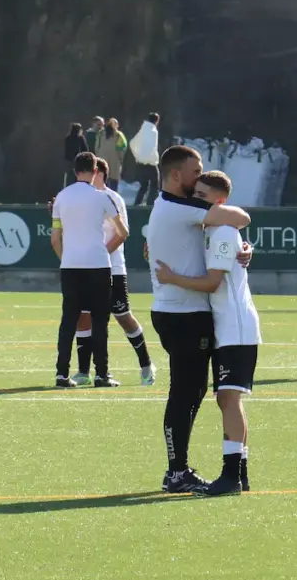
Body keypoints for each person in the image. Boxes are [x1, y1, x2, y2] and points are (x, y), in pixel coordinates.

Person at [147, 144, 252, 493]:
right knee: (186, 394)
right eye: (195, 172)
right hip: (185, 313)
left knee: (193, 392)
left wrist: (240, 250)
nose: (198, 177)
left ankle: (183, 469)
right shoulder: (181, 206)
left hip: (175, 310)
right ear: (176, 175)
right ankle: (177, 472)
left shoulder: (170, 207)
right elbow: (240, 218)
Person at [72, 158, 156, 387]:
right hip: (86, 269)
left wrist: (99, 254)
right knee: (83, 315)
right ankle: (82, 371)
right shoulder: (81, 199)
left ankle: (146, 365)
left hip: (112, 270)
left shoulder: (112, 198)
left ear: (99, 174)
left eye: (90, 173)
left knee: (123, 316)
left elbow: (121, 235)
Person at [50, 152, 128, 387]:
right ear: (95, 171)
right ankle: (101, 374)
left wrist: (67, 259)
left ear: (75, 171)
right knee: (99, 321)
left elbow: (55, 238)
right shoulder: (102, 197)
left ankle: (62, 374)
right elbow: (122, 232)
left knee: (69, 321)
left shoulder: (61, 198)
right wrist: (105, 249)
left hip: (71, 267)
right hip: (97, 265)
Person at [131, 113, 161, 205]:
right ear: (156, 121)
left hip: (141, 162)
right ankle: (150, 203)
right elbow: (152, 147)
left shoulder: (143, 130)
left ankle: (137, 203)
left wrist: (138, 156)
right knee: (155, 183)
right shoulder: (153, 131)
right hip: (150, 162)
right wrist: (151, 157)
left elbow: (132, 143)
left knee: (144, 185)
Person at [95, 117, 128, 191]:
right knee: (114, 180)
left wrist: (98, 156)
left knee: (103, 178)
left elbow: (97, 147)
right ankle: (113, 195)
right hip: (115, 160)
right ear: (116, 125)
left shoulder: (100, 133)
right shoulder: (119, 135)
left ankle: (102, 195)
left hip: (102, 159)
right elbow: (122, 148)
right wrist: (121, 158)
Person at [63, 123, 90, 188]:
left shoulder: (67, 138)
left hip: (69, 161)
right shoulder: (80, 138)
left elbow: (66, 151)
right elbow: (85, 150)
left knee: (69, 179)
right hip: (79, 161)